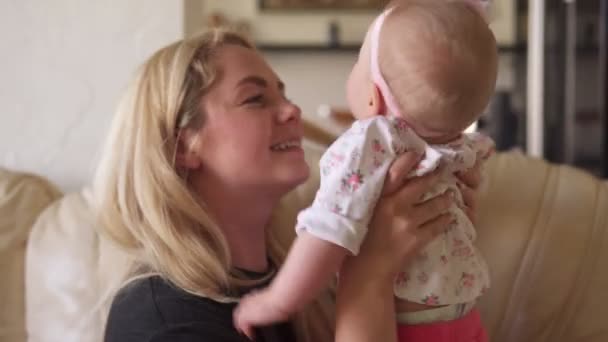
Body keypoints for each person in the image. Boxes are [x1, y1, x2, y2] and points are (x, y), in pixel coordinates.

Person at [96, 27, 482, 342]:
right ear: (184, 146)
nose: (292, 110)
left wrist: (437, 230)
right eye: (255, 99)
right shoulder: (163, 323)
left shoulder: (296, 279)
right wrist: (370, 272)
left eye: (283, 93)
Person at [234, 0, 498, 341]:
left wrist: (277, 300)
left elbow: (328, 230)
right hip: (465, 319)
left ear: (373, 97)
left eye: (358, 61)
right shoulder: (462, 149)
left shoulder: (372, 142)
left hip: (407, 327)